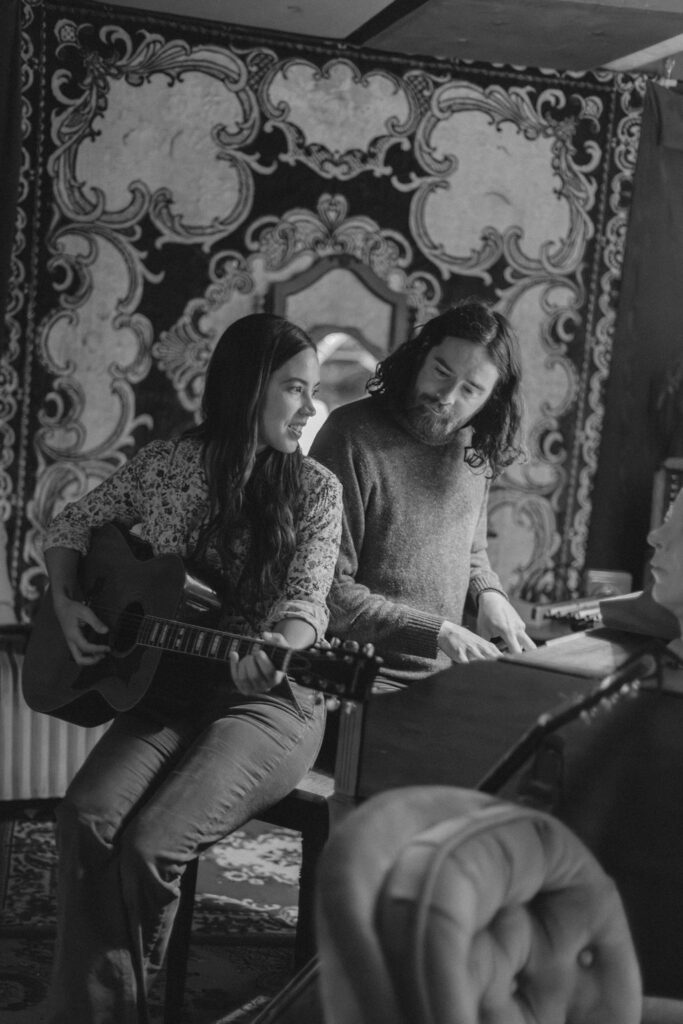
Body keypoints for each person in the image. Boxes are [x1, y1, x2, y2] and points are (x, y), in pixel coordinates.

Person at [42, 312, 343, 1023]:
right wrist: (64, 599)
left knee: (149, 844)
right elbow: (71, 525)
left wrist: (280, 651)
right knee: (85, 817)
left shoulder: (317, 489)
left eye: (313, 391)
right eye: (294, 389)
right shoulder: (167, 464)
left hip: (269, 704)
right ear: (245, 390)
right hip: (167, 690)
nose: (308, 408)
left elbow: (307, 599)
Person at [309, 297, 535, 684]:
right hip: (359, 677)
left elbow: (472, 550)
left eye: (470, 390)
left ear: (491, 398)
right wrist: (439, 631)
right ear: (420, 356)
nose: (447, 397)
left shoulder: (473, 449)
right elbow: (329, 591)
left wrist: (488, 594)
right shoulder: (349, 436)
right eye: (441, 371)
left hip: (441, 679)